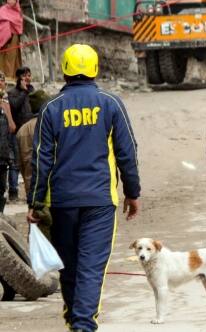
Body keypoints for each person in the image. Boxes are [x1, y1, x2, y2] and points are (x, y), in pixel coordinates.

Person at [27, 44, 140, 332]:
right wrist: (133, 193)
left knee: (69, 264)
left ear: (64, 70)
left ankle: (73, 321)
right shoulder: (110, 103)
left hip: (62, 202)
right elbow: (128, 151)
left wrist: (36, 204)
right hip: (101, 201)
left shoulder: (50, 108)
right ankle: (82, 325)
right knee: (90, 267)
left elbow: (41, 160)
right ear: (94, 69)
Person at [16, 89, 50, 201]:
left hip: (30, 186)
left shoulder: (22, 130)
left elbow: (20, 163)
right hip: (51, 187)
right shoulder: (50, 124)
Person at [6, 66, 31, 202]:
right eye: (25, 76)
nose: (28, 78)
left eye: (29, 75)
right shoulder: (13, 93)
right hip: (17, 132)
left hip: (31, 131)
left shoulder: (32, 91)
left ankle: (31, 191)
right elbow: (14, 106)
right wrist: (23, 92)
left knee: (30, 160)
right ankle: (13, 192)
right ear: (19, 78)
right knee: (15, 162)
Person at [0, 73, 16, 214]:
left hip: (3, 154)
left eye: (2, 80)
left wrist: (5, 109)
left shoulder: (6, 101)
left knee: (1, 188)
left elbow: (12, 127)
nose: (1, 83)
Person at [0, 0, 23, 78]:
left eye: (14, 0)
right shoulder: (2, 9)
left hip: (14, 37)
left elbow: (19, 23)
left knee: (12, 56)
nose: (12, 1)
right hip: (3, 36)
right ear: (7, 0)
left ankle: (10, 77)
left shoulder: (18, 11)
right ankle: (1, 76)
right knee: (2, 56)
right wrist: (6, 26)